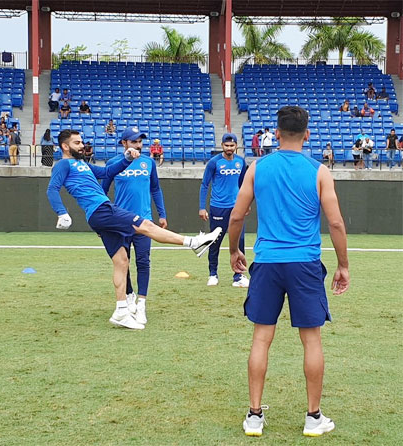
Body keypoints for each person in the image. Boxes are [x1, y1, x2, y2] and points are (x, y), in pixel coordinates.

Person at [229, 105, 349, 438]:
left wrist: (234, 251)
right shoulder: (319, 171)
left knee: (261, 338)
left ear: (276, 134)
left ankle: (254, 415)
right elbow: (336, 222)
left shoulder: (257, 167)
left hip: (267, 262)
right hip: (305, 264)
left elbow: (237, 216)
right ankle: (313, 417)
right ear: (307, 134)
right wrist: (343, 265)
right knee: (311, 339)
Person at [47, 129, 222, 330]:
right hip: (101, 210)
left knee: (121, 261)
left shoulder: (82, 164)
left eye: (81, 142)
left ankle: (121, 311)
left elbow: (106, 173)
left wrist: (127, 158)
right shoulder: (62, 164)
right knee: (146, 226)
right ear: (65, 146)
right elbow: (52, 188)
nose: (82, 145)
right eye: (77, 143)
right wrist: (61, 212)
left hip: (99, 213)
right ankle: (194, 243)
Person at [101, 128, 168, 326]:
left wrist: (162, 214)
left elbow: (155, 188)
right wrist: (105, 221)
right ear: (124, 143)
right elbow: (102, 191)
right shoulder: (113, 164)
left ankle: (141, 304)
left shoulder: (148, 163)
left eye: (140, 141)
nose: (138, 145)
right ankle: (128, 296)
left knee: (143, 261)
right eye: (133, 141)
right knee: (123, 262)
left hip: (144, 221)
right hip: (120, 221)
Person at [198, 133, 249, 287]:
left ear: (236, 146)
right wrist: (202, 207)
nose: (229, 148)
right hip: (218, 207)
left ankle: (238, 276)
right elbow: (205, 184)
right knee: (215, 242)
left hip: (237, 208)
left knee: (239, 242)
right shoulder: (214, 163)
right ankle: (213, 274)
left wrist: (246, 204)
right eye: (226, 146)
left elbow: (244, 186)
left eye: (232, 146)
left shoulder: (241, 162)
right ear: (222, 146)